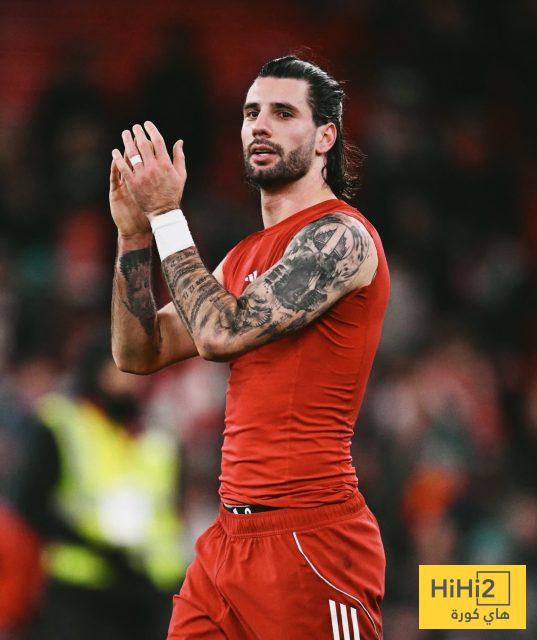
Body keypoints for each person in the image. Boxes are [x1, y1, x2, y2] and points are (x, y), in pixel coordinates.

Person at [110, 55, 390, 640]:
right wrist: (134, 233)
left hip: (312, 540)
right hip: (228, 542)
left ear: (325, 137)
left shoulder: (342, 236)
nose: (260, 125)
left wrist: (166, 214)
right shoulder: (243, 257)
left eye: (283, 113)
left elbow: (220, 334)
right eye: (250, 113)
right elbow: (138, 352)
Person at [10, 336, 185, 640]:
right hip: (84, 589)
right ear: (96, 369)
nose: (131, 378)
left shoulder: (158, 438)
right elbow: (31, 503)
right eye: (120, 367)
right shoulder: (64, 423)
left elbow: (169, 514)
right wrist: (97, 549)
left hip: (149, 591)